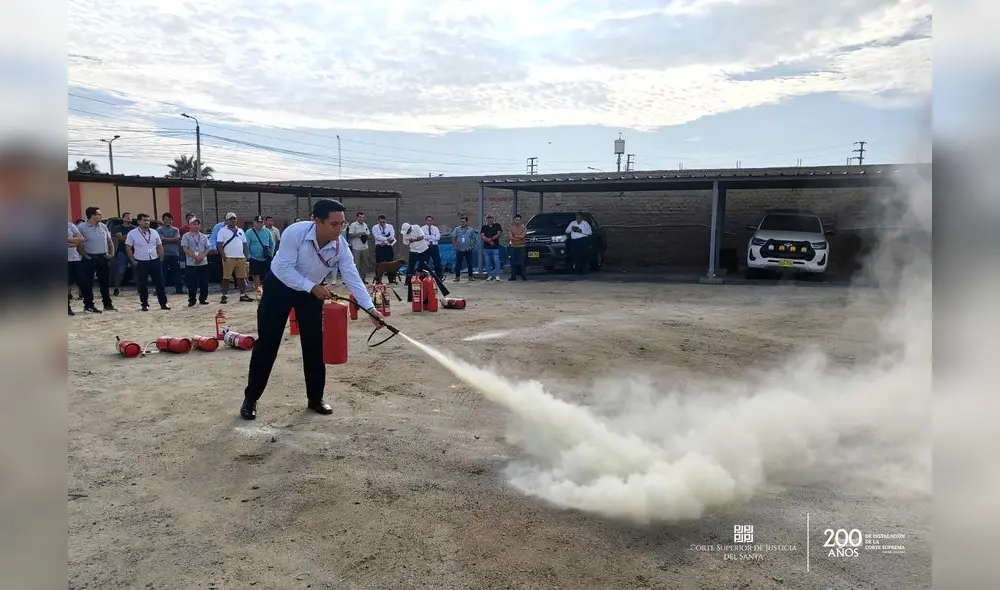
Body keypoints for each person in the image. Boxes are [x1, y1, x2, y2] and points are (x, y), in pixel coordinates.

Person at [241, 199, 384, 420]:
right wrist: (311, 287)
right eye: (334, 224)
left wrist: (370, 309)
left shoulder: (340, 246)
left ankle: (315, 398)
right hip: (279, 288)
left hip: (310, 293)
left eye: (342, 224)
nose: (339, 229)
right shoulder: (294, 233)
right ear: (316, 221)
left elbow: (352, 277)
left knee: (315, 345)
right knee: (268, 344)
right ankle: (251, 398)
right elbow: (283, 268)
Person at [124, 213, 170, 311]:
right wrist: (132, 260)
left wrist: (161, 256)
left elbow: (159, 245)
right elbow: (128, 247)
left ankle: (163, 303)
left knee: (160, 283)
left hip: (154, 260)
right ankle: (144, 304)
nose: (147, 222)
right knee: (142, 284)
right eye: (144, 220)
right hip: (141, 261)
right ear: (139, 221)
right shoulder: (132, 233)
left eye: (148, 220)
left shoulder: (154, 232)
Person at [216, 212, 253, 303]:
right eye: (231, 219)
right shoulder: (222, 231)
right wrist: (223, 256)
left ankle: (243, 295)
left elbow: (244, 244)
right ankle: (224, 295)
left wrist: (245, 256)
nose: (233, 220)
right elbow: (219, 244)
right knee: (226, 277)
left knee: (241, 277)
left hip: (240, 257)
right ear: (227, 221)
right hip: (228, 257)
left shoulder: (240, 231)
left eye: (234, 219)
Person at [180, 218, 211, 306]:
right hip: (191, 263)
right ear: (190, 225)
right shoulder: (186, 236)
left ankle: (203, 298)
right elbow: (185, 248)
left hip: (203, 262)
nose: (196, 226)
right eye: (194, 224)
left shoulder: (203, 236)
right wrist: (195, 257)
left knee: (204, 282)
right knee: (192, 283)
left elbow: (208, 248)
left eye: (197, 224)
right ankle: (192, 299)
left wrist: (202, 256)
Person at [246, 215, 275, 296]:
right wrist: (249, 256)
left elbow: (272, 243)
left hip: (265, 258)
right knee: (256, 275)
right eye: (258, 222)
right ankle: (258, 292)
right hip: (254, 258)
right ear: (254, 222)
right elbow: (247, 245)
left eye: (261, 222)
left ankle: (267, 291)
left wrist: (271, 254)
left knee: (266, 275)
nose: (259, 224)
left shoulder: (267, 231)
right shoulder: (249, 232)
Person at [451, 216, 477, 282]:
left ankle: (470, 276)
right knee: (458, 263)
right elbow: (453, 237)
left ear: (467, 222)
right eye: (461, 222)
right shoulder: (457, 229)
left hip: (468, 249)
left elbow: (473, 238)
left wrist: (472, 246)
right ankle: (457, 277)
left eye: (463, 222)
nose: (462, 223)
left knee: (470, 263)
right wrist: (455, 246)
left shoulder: (471, 229)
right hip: (459, 249)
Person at [348, 211, 372, 282]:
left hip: (365, 247)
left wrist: (365, 235)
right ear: (357, 217)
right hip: (356, 248)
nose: (361, 219)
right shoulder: (353, 225)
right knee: (356, 265)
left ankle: (363, 279)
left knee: (364, 264)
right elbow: (350, 235)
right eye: (360, 217)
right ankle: (356, 280)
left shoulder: (365, 225)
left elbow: (368, 234)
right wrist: (360, 233)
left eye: (362, 217)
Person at [480, 214, 503, 281]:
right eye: (488, 218)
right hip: (486, 248)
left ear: (493, 219)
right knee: (487, 262)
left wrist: (492, 238)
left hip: (495, 248)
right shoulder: (484, 227)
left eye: (491, 218)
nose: (490, 219)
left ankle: (497, 275)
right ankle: (489, 275)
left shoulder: (497, 225)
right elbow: (482, 236)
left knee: (496, 261)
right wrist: (489, 241)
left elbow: (498, 234)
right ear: (486, 219)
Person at [508, 213, 528, 281]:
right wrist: (519, 238)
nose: (517, 221)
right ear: (514, 220)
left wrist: (515, 236)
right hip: (513, 247)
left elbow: (523, 236)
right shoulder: (511, 228)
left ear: (521, 221)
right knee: (512, 262)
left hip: (521, 246)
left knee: (522, 262)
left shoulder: (524, 228)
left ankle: (523, 276)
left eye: (519, 220)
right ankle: (513, 276)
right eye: (516, 220)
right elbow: (510, 237)